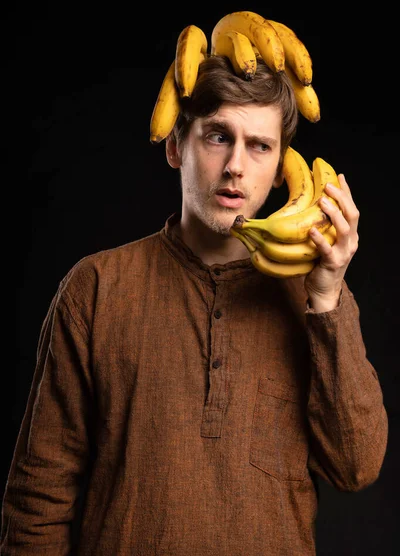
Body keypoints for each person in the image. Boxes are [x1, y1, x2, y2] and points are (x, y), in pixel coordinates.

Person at [1, 55, 388, 556]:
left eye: (260, 146)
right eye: (217, 135)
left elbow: (356, 467)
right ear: (176, 146)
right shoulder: (95, 288)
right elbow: (39, 500)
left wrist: (327, 297)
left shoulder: (315, 300)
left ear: (279, 172)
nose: (235, 166)